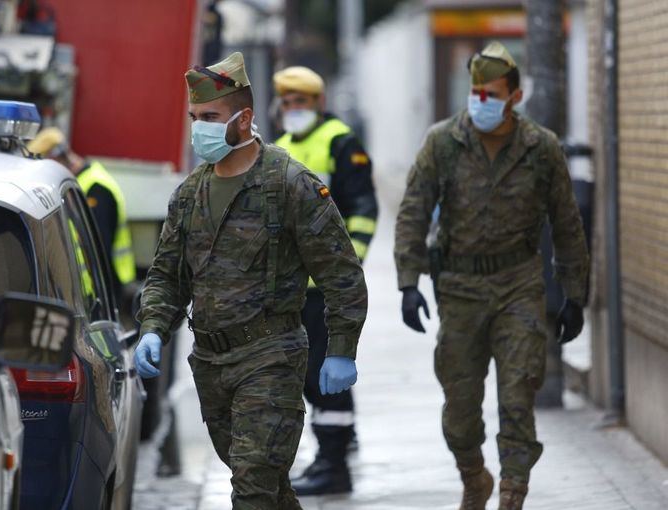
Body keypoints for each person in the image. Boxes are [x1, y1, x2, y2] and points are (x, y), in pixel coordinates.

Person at [134, 52, 368, 509]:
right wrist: (152, 328)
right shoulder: (190, 193)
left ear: (244, 119)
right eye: (194, 117)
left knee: (252, 489)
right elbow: (167, 274)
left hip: (271, 357)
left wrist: (341, 349)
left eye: (210, 117)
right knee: (267, 488)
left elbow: (342, 274)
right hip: (211, 364)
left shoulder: (290, 184)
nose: (199, 127)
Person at [394, 41, 589, 510]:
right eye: (475, 91)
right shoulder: (442, 141)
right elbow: (413, 212)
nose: (480, 100)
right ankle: (474, 477)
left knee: (519, 394)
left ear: (515, 98)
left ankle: (512, 494)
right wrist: (408, 282)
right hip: (459, 289)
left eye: (491, 93)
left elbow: (566, 223)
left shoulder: (541, 148)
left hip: (518, 283)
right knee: (459, 411)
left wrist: (575, 295)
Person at [272, 65, 378, 496]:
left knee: (327, 374)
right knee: (305, 376)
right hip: (293, 289)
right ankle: (329, 455)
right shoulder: (277, 148)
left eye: (303, 102)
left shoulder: (340, 141)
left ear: (319, 103)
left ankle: (335, 466)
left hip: (327, 288)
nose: (295, 110)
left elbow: (364, 210)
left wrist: (345, 271)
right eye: (289, 103)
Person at [28, 128, 136, 300]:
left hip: (104, 293)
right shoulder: (80, 182)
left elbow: (98, 250)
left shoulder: (96, 189)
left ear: (56, 157)